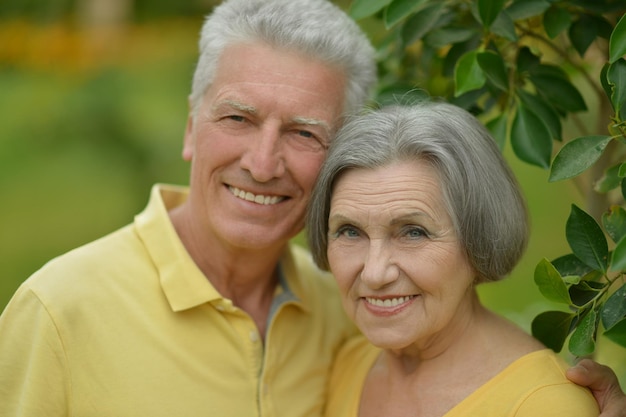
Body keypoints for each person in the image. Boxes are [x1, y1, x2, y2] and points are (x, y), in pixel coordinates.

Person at [0, 0, 623, 415]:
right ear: (192, 127)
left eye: (302, 132)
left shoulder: (341, 317)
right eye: (238, 118)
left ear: (338, 158)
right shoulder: (59, 313)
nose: (263, 162)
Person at [306, 101, 617, 416]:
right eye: (349, 231)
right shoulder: (347, 364)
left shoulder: (544, 405)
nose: (374, 273)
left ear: (477, 239)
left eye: (413, 233)